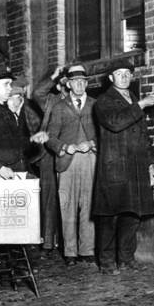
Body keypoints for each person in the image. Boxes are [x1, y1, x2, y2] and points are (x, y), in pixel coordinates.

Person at [93, 59, 154, 275]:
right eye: (119, 73)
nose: (124, 77)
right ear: (111, 78)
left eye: (127, 73)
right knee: (109, 216)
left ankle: (126, 258)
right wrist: (140, 105)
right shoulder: (103, 101)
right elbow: (115, 123)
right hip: (114, 166)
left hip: (136, 166)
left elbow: (144, 136)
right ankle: (106, 262)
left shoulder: (132, 98)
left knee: (132, 215)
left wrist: (151, 164)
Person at [46, 65, 97, 267]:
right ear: (68, 84)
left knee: (89, 204)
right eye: (75, 81)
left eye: (82, 81)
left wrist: (92, 144)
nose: (79, 84)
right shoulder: (59, 107)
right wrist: (64, 147)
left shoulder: (95, 105)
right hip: (67, 161)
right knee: (67, 206)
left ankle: (87, 249)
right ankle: (70, 251)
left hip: (90, 160)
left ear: (86, 83)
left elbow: (105, 133)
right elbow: (49, 137)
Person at [32, 66, 67, 257]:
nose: (66, 87)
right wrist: (53, 75)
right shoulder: (51, 100)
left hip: (69, 155)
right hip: (48, 157)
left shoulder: (79, 101)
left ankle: (67, 244)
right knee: (48, 199)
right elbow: (37, 92)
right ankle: (47, 244)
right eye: (62, 83)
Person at [6, 77, 44, 174]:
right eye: (9, 98)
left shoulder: (33, 108)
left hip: (33, 161)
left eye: (17, 98)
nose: (13, 103)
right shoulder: (2, 111)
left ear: (21, 96)